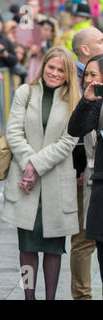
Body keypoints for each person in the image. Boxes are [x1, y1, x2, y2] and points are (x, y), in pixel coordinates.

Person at [3, 46, 81, 300]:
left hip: (55, 182)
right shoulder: (24, 93)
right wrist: (28, 164)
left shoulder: (73, 101)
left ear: (68, 73)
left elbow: (68, 142)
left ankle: (50, 297)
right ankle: (28, 296)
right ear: (43, 66)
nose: (55, 73)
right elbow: (14, 133)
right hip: (25, 184)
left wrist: (34, 166)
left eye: (61, 69)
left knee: (53, 248)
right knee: (26, 246)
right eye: (51, 67)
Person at [68, 54, 103, 292]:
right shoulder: (97, 101)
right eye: (85, 74)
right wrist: (87, 101)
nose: (87, 79)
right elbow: (76, 128)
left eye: (93, 74)